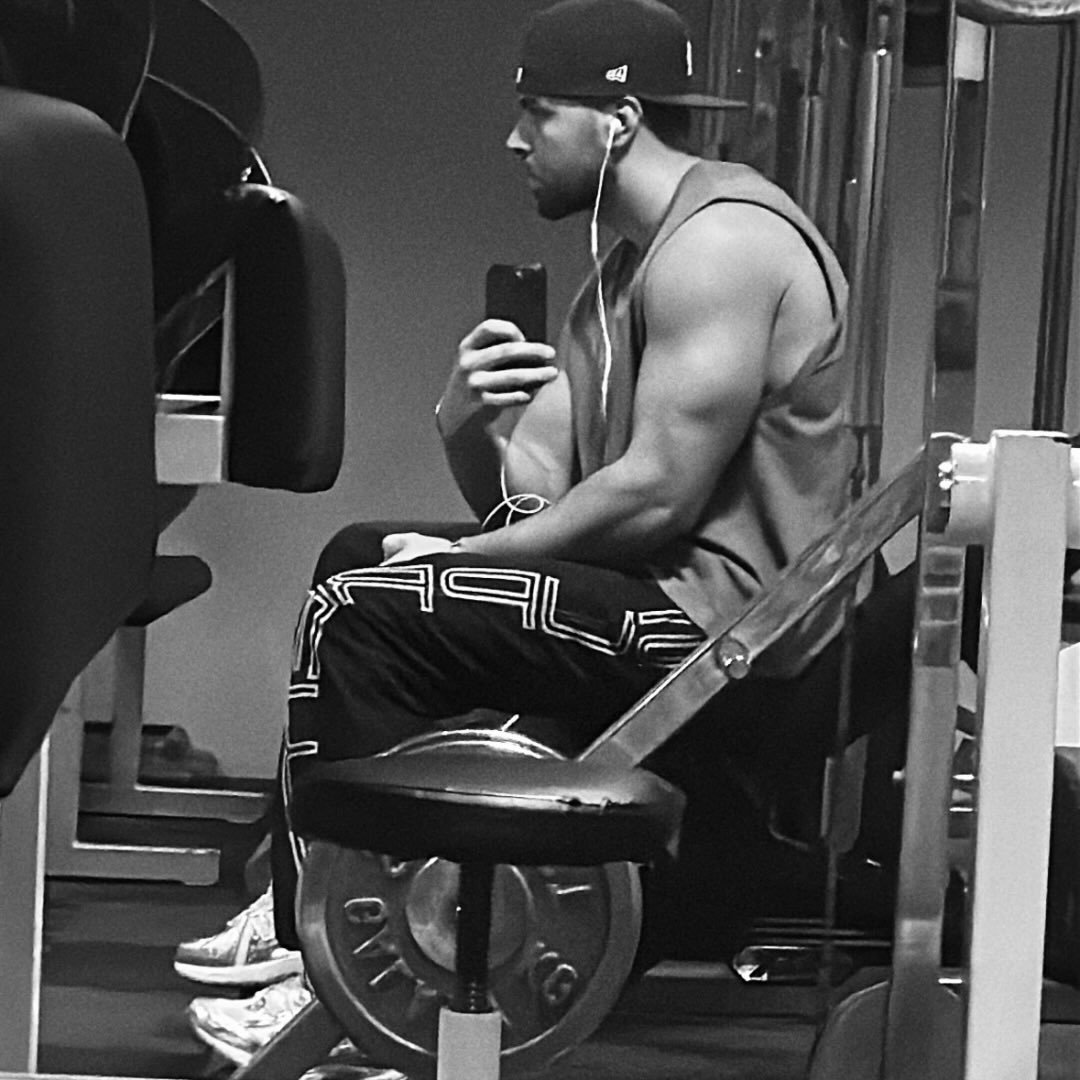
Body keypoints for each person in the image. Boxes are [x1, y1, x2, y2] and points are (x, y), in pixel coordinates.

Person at [179, 0, 856, 1068]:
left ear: (618, 120)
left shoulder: (724, 245)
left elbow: (654, 497)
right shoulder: (620, 277)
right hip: (652, 595)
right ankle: (308, 907)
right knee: (360, 557)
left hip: (725, 631)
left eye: (538, 112)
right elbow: (533, 504)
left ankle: (336, 974)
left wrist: (462, 563)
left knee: (368, 612)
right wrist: (462, 420)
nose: (513, 139)